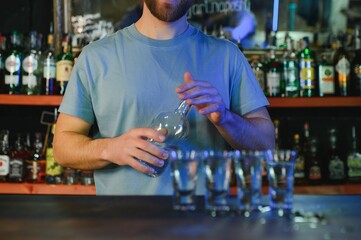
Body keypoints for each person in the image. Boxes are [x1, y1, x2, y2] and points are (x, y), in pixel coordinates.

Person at [53, 0, 275, 196]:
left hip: (205, 224)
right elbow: (62, 148)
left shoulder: (227, 56)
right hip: (122, 225)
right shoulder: (95, 57)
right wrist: (111, 149)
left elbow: (266, 145)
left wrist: (225, 118)